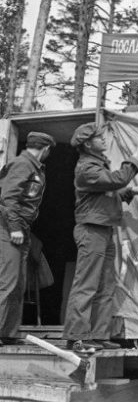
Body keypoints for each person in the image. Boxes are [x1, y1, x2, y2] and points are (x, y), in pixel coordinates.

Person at [63, 123, 138, 352]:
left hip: (104, 229)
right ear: (88, 144)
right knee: (86, 285)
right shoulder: (86, 168)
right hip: (91, 231)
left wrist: (129, 193)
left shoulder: (97, 165)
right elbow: (115, 180)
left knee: (105, 285)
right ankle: (77, 337)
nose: (103, 140)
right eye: (98, 138)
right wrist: (136, 155)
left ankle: (99, 334)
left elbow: (107, 191)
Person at [0, 132, 56, 346]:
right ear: (45, 149)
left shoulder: (33, 167)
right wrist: (14, 227)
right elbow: (8, 198)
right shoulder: (23, 164)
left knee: (18, 283)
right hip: (8, 228)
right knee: (8, 281)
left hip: (22, 229)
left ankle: (8, 332)